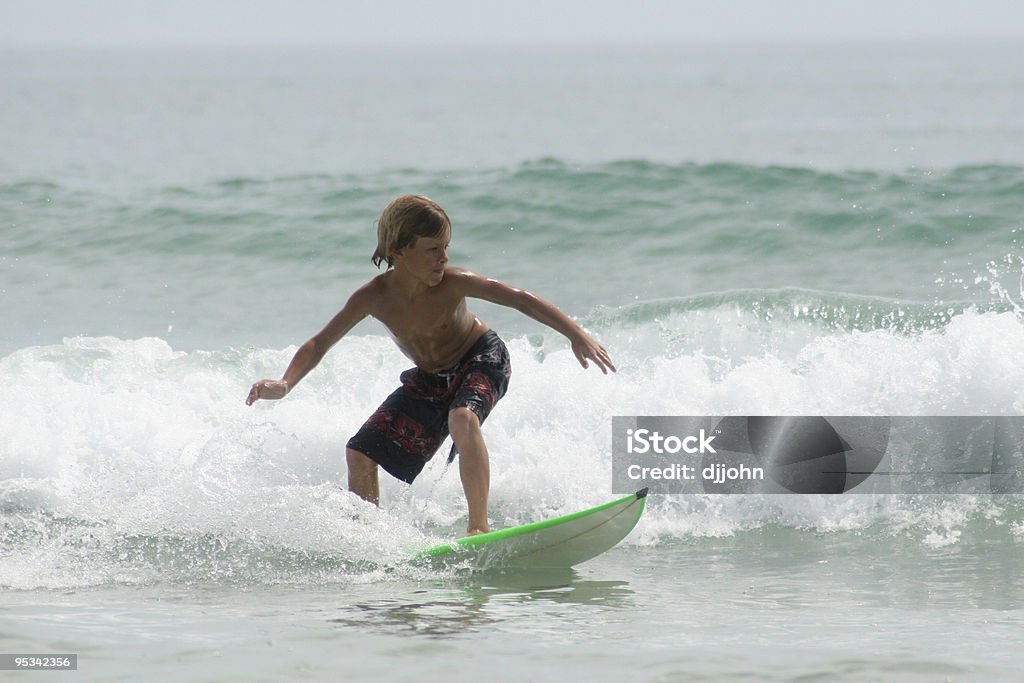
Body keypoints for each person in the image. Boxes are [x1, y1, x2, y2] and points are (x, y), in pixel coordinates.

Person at [246, 195, 615, 535]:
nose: (444, 258)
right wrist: (286, 383)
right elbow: (319, 343)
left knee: (462, 418)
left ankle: (478, 528)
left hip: (482, 359)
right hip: (431, 380)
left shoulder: (453, 284)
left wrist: (575, 334)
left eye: (445, 248)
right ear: (399, 252)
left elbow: (519, 299)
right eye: (432, 249)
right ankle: (368, 536)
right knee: (359, 452)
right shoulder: (373, 297)